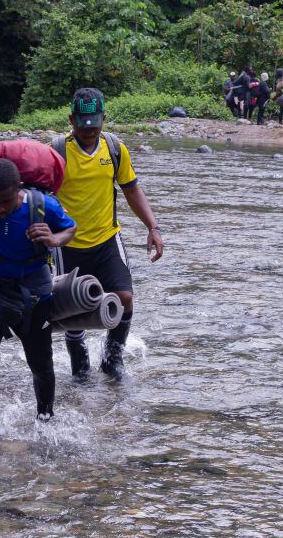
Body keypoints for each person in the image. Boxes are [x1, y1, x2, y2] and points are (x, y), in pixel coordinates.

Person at [0, 158, 76, 446]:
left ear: (18, 189)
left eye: (6, 201)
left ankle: (45, 420)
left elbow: (70, 230)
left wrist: (53, 239)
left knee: (41, 362)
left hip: (34, 291)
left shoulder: (43, 206)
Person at [53, 88, 164, 382]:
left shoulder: (115, 149)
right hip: (66, 244)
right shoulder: (56, 152)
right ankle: (79, 362)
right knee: (70, 312)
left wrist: (153, 227)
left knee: (125, 297)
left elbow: (131, 189)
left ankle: (112, 357)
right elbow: (40, 196)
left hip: (106, 239)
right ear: (71, 120)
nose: (89, 130)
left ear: (104, 118)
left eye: (95, 123)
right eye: (82, 124)